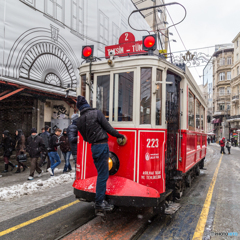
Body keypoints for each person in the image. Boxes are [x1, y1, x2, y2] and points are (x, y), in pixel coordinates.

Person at [76, 96, 125, 212]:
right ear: (87, 104)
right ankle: (99, 203)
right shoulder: (96, 113)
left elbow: (86, 138)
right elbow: (108, 128)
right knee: (103, 175)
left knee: (101, 174)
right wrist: (119, 135)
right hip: (102, 146)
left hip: (93, 147)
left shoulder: (79, 120)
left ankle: (100, 200)